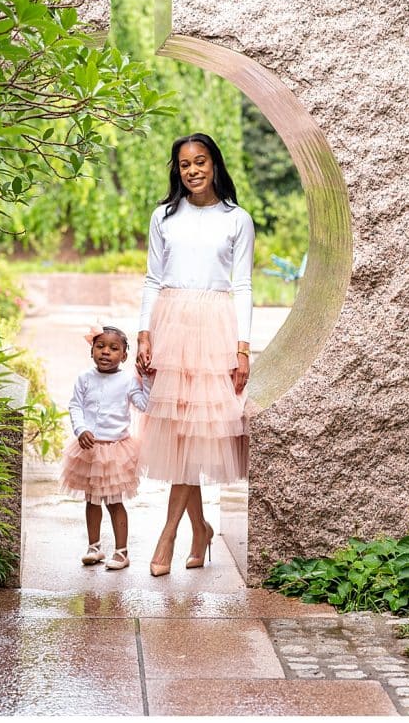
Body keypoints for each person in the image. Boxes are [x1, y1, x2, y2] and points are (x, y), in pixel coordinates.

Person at [135, 132, 253, 577]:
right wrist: (144, 334)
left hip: (215, 327)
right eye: (185, 164)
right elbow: (152, 278)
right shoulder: (164, 217)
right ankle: (200, 528)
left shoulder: (237, 219)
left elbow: (242, 285)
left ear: (215, 164)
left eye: (200, 161)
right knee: (182, 436)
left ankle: (168, 535)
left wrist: (242, 348)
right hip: (171, 323)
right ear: (177, 170)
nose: (193, 171)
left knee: (195, 433)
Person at [59, 325, 150, 570]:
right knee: (91, 501)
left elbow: (144, 404)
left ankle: (121, 551)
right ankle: (94, 546)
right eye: (100, 347)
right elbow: (75, 406)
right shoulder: (84, 378)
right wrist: (80, 429)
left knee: (114, 502)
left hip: (116, 451)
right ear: (91, 351)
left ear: (124, 355)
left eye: (113, 348)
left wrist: (148, 378)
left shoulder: (128, 380)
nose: (106, 352)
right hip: (89, 449)